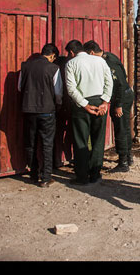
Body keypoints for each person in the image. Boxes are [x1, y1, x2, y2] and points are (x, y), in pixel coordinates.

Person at [64, 40, 113, 185]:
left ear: (72, 52)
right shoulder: (100, 61)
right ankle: (95, 174)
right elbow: (109, 81)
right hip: (100, 102)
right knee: (98, 139)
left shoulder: (71, 64)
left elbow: (71, 88)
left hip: (81, 105)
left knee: (81, 140)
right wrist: (105, 102)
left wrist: (85, 105)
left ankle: (82, 176)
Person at [84, 40, 134, 172]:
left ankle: (123, 163)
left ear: (91, 52)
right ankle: (128, 156)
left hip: (121, 97)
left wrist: (118, 105)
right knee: (125, 127)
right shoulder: (109, 56)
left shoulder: (108, 62)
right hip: (125, 95)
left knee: (121, 128)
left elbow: (120, 85)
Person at [18, 44, 63, 187]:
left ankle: (33, 174)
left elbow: (20, 87)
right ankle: (46, 177)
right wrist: (58, 105)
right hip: (47, 111)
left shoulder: (25, 67)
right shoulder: (53, 68)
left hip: (29, 110)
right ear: (53, 56)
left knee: (30, 143)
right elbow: (58, 92)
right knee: (47, 144)